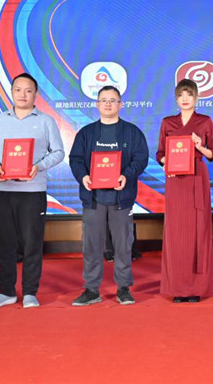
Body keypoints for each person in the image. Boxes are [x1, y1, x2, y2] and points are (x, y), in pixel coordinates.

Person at [0, 73, 65, 308]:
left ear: (35, 94)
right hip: (3, 191)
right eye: (18, 90)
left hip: (33, 192)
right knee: (4, 243)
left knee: (32, 243)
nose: (23, 95)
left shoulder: (46, 121)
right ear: (12, 92)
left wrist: (39, 166)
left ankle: (29, 292)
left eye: (28, 90)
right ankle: (6, 292)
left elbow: (58, 152)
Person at [68, 85, 149, 306]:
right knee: (92, 245)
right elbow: (75, 159)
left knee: (123, 245)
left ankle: (123, 288)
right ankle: (91, 289)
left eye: (113, 100)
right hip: (93, 198)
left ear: (120, 104)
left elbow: (141, 158)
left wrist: (126, 175)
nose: (108, 104)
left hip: (121, 198)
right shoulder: (86, 133)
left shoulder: (132, 132)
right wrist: (83, 176)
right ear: (97, 104)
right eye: (104, 100)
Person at [156, 79, 213, 302]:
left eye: (189, 95)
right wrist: (168, 163)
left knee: (198, 230)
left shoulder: (205, 121)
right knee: (176, 233)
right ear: (176, 98)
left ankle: (196, 288)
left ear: (196, 98)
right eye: (181, 95)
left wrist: (199, 145)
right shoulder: (168, 122)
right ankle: (177, 288)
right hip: (176, 181)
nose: (185, 99)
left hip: (197, 178)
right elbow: (160, 154)